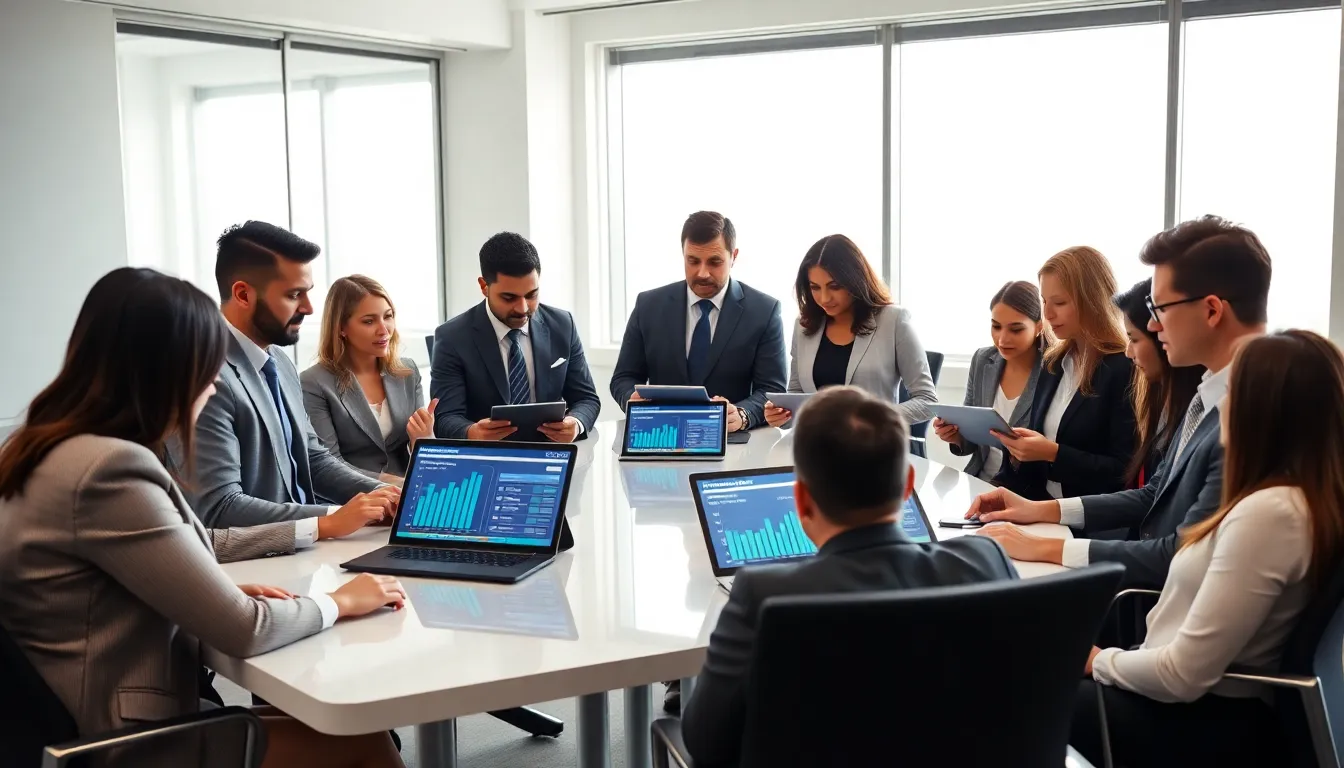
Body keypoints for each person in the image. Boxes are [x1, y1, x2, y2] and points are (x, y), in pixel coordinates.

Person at [0, 267, 408, 768]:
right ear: (165, 372)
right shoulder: (109, 470)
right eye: (206, 371)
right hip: (123, 739)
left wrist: (213, 587)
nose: (212, 390)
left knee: (336, 722)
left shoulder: (42, 448)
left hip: (72, 709)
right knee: (364, 742)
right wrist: (339, 602)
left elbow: (145, 561)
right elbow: (245, 630)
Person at [680, 386, 1016, 765]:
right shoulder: (984, 559)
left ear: (802, 500)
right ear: (907, 485)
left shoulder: (766, 593)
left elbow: (705, 740)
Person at [1070, 330, 1344, 768]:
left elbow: (1183, 675)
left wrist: (1100, 660)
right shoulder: (1295, 496)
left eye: (1234, 391)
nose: (1221, 406)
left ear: (1263, 411)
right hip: (1194, 703)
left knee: (1025, 690)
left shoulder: (1271, 515)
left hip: (1195, 722)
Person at [968, 216, 1272, 589]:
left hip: (1150, 606)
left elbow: (1177, 555)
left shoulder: (1243, 417)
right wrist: (1036, 511)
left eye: (1159, 309)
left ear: (1211, 311)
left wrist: (1046, 547)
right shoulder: (1204, 398)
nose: (1154, 327)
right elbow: (1151, 495)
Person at [182, 222, 398, 538]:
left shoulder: (279, 362)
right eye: (294, 295)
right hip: (255, 566)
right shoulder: (203, 375)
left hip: (303, 552)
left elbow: (312, 460)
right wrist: (331, 519)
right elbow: (220, 507)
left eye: (307, 293)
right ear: (243, 294)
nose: (309, 308)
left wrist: (389, 497)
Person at [610, 211, 787, 433]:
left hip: (730, 441)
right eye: (693, 261)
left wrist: (743, 414)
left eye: (715, 262)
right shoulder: (648, 305)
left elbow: (772, 389)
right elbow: (623, 377)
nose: (702, 273)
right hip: (661, 434)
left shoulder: (764, 311)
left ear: (734, 256)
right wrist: (631, 398)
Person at [991, 246, 1136, 501]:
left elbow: (1123, 472)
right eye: (1044, 302)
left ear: (1092, 301)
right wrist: (1018, 454)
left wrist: (1053, 453)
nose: (1047, 314)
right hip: (1042, 507)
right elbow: (1038, 463)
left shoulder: (1124, 368)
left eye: (1059, 303)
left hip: (1091, 522)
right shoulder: (1054, 362)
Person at [430, 232, 601, 442]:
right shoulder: (452, 337)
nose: (522, 309)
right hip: (487, 459)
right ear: (484, 286)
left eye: (531, 295)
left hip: (551, 454)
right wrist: (471, 432)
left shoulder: (563, 325)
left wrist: (576, 423)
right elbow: (445, 417)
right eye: (509, 297)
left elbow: (587, 399)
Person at [762, 234, 937, 428]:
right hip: (814, 448)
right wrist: (780, 414)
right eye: (815, 287)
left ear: (856, 281)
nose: (824, 298)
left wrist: (871, 418)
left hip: (875, 448)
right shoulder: (804, 325)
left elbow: (927, 400)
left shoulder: (894, 320)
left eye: (834, 286)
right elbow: (796, 393)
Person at [301, 275, 437, 480]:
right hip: (354, 498)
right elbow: (328, 464)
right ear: (341, 328)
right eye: (369, 321)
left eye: (388, 316)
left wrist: (424, 439)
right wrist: (394, 484)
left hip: (408, 492)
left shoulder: (407, 371)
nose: (384, 330)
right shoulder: (314, 382)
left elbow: (422, 454)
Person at [933, 280, 1049, 484]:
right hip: (979, 480)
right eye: (996, 326)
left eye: (1016, 330)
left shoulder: (1052, 371)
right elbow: (971, 442)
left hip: (1026, 491)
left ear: (1039, 326)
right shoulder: (982, 360)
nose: (1002, 339)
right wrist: (955, 436)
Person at [1114, 278, 1204, 487]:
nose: (1128, 352)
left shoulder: (1199, 409)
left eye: (1134, 339)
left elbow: (1151, 497)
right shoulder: (1157, 398)